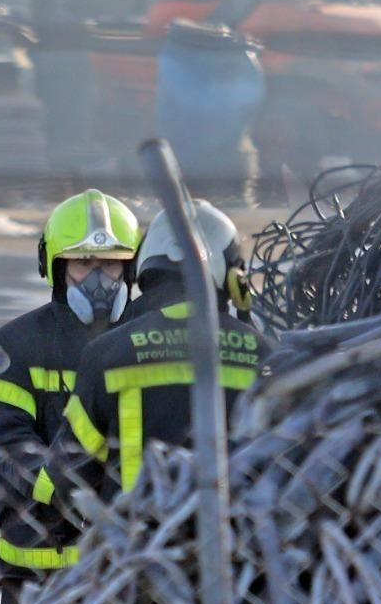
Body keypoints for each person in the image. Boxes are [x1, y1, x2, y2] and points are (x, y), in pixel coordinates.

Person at [0, 189, 141, 604]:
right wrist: (66, 489)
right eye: (83, 263)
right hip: (38, 560)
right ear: (55, 265)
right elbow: (4, 437)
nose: (98, 280)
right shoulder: (17, 345)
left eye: (109, 264)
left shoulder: (146, 343)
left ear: (131, 266)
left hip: (130, 555)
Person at [45, 199, 274, 513]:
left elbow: (69, 475)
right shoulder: (268, 357)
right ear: (234, 280)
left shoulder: (107, 353)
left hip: (137, 546)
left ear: (146, 269)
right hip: (240, 546)